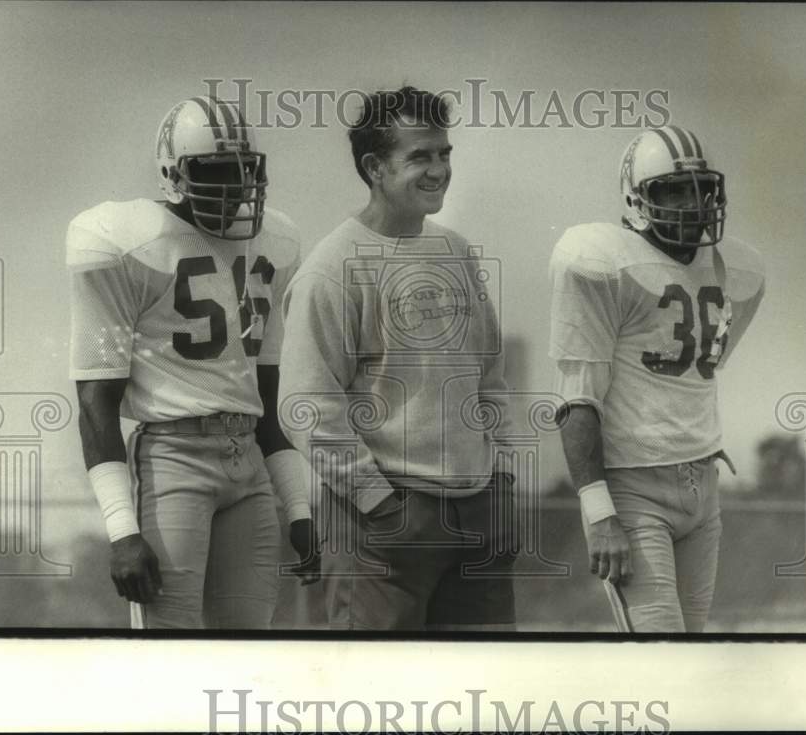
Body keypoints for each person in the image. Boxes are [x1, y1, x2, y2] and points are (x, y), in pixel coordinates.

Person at [67, 95, 318, 629]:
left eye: (246, 170)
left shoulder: (276, 243)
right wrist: (121, 530)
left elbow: (265, 403)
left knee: (248, 647)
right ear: (172, 173)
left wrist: (298, 508)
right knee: (169, 651)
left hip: (248, 463)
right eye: (217, 170)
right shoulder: (126, 242)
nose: (237, 186)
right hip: (172, 459)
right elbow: (95, 401)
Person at [278, 86, 517, 631]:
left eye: (444, 154)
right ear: (375, 167)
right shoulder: (330, 268)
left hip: (475, 510)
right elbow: (306, 406)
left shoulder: (455, 251)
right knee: (379, 691)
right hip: (382, 521)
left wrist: (500, 480)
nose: (438, 171)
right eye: (419, 157)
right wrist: (382, 504)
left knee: (480, 689)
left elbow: (491, 377)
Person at [549, 125, 765, 633]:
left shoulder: (740, 269)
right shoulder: (601, 261)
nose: (692, 204)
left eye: (701, 190)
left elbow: (698, 365)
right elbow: (578, 399)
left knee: (688, 649)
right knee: (660, 653)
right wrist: (599, 511)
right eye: (673, 190)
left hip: (702, 486)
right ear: (637, 198)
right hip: (633, 488)